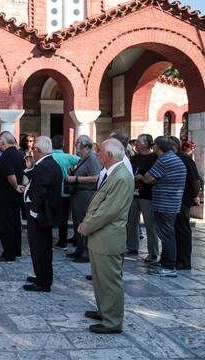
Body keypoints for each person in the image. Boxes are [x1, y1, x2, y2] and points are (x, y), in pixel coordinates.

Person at [79, 139, 134, 334]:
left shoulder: (120, 177)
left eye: (100, 151)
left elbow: (108, 211)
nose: (97, 154)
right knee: (100, 279)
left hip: (108, 237)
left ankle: (112, 321)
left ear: (109, 155)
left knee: (109, 281)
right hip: (100, 237)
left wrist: (86, 227)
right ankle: (105, 311)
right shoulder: (114, 173)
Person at [137, 136, 186, 278]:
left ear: (159, 148)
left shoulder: (164, 160)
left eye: (154, 147)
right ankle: (165, 261)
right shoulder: (174, 158)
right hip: (171, 203)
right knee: (167, 234)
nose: (153, 149)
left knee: (167, 236)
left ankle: (169, 266)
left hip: (165, 205)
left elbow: (148, 178)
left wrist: (146, 177)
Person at [22, 136, 64, 292]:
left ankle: (43, 281)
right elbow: (40, 181)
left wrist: (33, 210)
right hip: (44, 213)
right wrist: (29, 168)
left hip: (40, 214)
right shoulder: (48, 163)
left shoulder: (44, 166)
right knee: (43, 247)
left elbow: (41, 190)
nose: (32, 151)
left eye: (33, 149)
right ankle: (42, 276)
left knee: (39, 247)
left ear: (38, 151)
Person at [0, 131, 25, 262]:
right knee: (15, 225)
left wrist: (15, 186)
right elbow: (25, 172)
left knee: (6, 226)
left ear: (3, 142)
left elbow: (10, 175)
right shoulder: (19, 154)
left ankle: (9, 254)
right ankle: (16, 250)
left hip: (4, 198)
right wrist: (21, 186)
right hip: (13, 198)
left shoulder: (7, 155)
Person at [65, 135, 100, 263]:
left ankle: (86, 252)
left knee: (83, 222)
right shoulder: (84, 158)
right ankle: (80, 248)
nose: (75, 146)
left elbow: (95, 177)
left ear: (85, 145)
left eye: (77, 143)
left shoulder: (92, 158)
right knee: (77, 221)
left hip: (86, 194)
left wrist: (75, 179)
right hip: (78, 194)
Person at [170, 136, 200, 270]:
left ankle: (184, 261)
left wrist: (195, 196)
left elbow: (196, 180)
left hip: (183, 199)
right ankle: (175, 258)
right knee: (175, 229)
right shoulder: (176, 158)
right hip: (175, 199)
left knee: (182, 229)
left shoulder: (185, 159)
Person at [127, 134, 158, 261]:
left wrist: (142, 178)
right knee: (131, 222)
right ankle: (132, 246)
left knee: (150, 224)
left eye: (139, 142)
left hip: (147, 195)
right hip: (134, 194)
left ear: (146, 143)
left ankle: (153, 252)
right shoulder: (135, 158)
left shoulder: (153, 158)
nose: (136, 144)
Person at [50, 135, 79, 249]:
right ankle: (63, 241)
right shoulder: (69, 157)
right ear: (63, 145)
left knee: (50, 216)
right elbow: (82, 161)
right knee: (64, 219)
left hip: (52, 191)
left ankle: (49, 239)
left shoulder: (49, 157)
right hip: (66, 191)